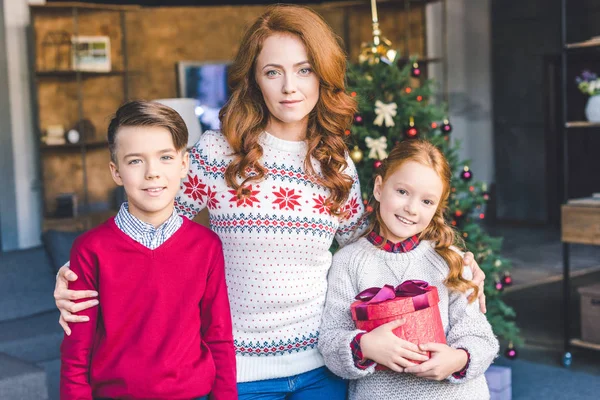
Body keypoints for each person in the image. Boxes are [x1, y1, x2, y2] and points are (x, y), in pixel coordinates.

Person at [53, 5, 487, 399]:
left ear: (322, 75)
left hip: (323, 369)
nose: (289, 88)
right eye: (273, 72)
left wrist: (456, 264)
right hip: (237, 371)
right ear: (254, 79)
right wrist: (74, 274)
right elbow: (153, 231)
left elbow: (374, 251)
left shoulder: (336, 166)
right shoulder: (217, 153)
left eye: (303, 70)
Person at [59, 101, 237, 400]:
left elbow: (218, 337)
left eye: (165, 157)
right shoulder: (90, 250)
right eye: (135, 161)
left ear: (183, 164)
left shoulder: (206, 246)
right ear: (116, 172)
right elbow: (76, 353)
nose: (152, 172)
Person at [318, 139, 499, 400]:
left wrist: (458, 359)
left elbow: (481, 338)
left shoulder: (450, 261)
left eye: (427, 201)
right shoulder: (349, 262)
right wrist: (365, 346)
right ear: (379, 188)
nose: (411, 208)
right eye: (402, 192)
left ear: (437, 207)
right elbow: (331, 342)